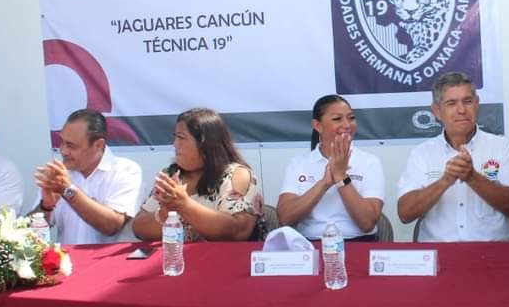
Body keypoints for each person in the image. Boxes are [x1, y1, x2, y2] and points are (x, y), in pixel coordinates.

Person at [397, 72, 509, 241]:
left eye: (467, 101)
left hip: (492, 254)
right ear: (437, 111)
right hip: (438, 254)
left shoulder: (502, 147)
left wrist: (472, 177)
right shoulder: (422, 153)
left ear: (477, 104)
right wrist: (445, 181)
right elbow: (405, 214)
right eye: (451, 103)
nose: (461, 110)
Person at [132, 108, 263, 242]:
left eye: (181, 137)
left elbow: (239, 231)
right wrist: (163, 214)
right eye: (175, 137)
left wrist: (184, 205)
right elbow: (138, 228)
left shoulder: (237, 175)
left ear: (205, 144)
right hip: (177, 259)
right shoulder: (171, 175)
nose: (175, 144)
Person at [277, 95, 385, 241]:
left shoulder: (370, 162)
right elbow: (286, 218)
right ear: (317, 126)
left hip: (357, 242)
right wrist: (324, 183)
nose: (347, 125)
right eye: (337, 119)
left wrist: (341, 177)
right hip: (309, 244)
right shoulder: (298, 163)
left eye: (351, 118)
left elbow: (367, 223)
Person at [33, 109, 143, 244]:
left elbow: (112, 226)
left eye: (71, 146)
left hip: (110, 264)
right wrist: (46, 206)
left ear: (98, 145)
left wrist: (68, 191)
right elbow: (27, 234)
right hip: (66, 263)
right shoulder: (58, 174)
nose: (63, 151)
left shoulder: (126, 170)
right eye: (62, 142)